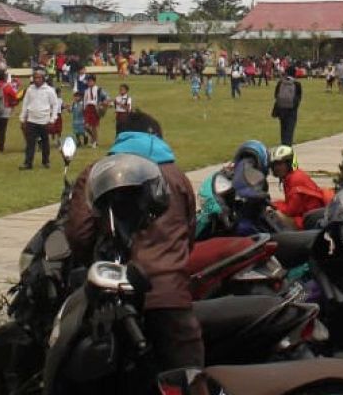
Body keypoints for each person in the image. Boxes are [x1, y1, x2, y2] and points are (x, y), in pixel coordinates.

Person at [64, 110, 204, 374]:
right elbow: (189, 235)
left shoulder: (98, 172)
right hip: (171, 296)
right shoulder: (176, 176)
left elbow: (79, 234)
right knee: (188, 377)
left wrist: (97, 266)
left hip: (116, 299)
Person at [269, 145, 331, 229]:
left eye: (280, 164)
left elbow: (291, 211)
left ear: (289, 163)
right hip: (308, 216)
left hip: (310, 221)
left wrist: (272, 205)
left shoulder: (295, 179)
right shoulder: (290, 177)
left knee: (274, 215)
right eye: (275, 164)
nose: (277, 168)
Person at [19, 67, 59, 170]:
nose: (36, 80)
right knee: (30, 143)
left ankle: (46, 161)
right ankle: (28, 163)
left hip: (44, 120)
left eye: (39, 78)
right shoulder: (30, 90)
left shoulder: (49, 90)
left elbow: (55, 105)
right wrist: (23, 118)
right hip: (32, 120)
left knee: (45, 142)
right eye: (35, 78)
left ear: (43, 78)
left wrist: (52, 119)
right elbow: (25, 104)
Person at [272, 66, 303, 146]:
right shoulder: (297, 84)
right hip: (292, 109)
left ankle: (283, 143)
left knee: (283, 127)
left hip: (281, 108)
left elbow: (276, 95)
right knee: (290, 128)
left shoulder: (281, 82)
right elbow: (299, 97)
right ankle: (288, 145)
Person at [81, 74, 108, 147]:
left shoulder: (99, 90)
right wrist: (83, 109)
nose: (89, 83)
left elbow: (106, 97)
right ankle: (93, 138)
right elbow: (85, 100)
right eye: (88, 81)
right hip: (87, 109)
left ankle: (95, 142)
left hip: (95, 108)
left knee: (94, 126)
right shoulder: (86, 91)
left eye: (90, 81)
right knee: (86, 126)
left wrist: (104, 103)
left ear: (94, 82)